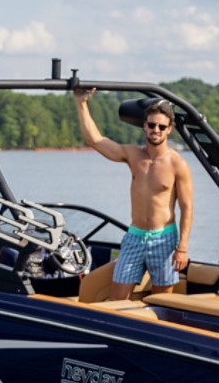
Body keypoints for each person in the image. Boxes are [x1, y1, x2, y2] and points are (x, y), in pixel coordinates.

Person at [73, 87, 194, 300]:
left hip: (164, 239)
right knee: (117, 300)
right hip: (134, 237)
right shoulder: (133, 155)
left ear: (169, 130)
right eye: (151, 125)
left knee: (162, 303)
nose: (156, 129)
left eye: (161, 126)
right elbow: (96, 140)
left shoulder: (178, 164)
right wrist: (81, 103)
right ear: (144, 127)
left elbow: (187, 207)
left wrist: (182, 246)